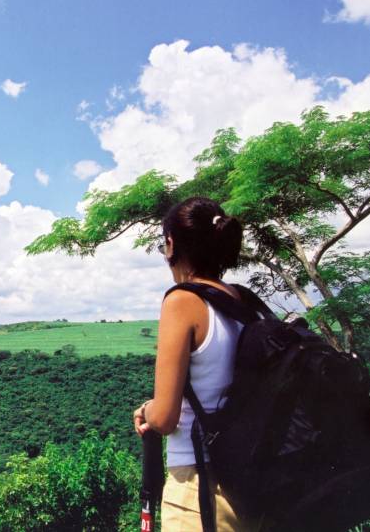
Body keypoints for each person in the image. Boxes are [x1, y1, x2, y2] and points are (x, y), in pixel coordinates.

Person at [132, 196, 253, 531]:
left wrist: (147, 411)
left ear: (171, 244)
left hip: (198, 487)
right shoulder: (241, 301)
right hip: (249, 485)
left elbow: (167, 418)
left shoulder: (182, 301)